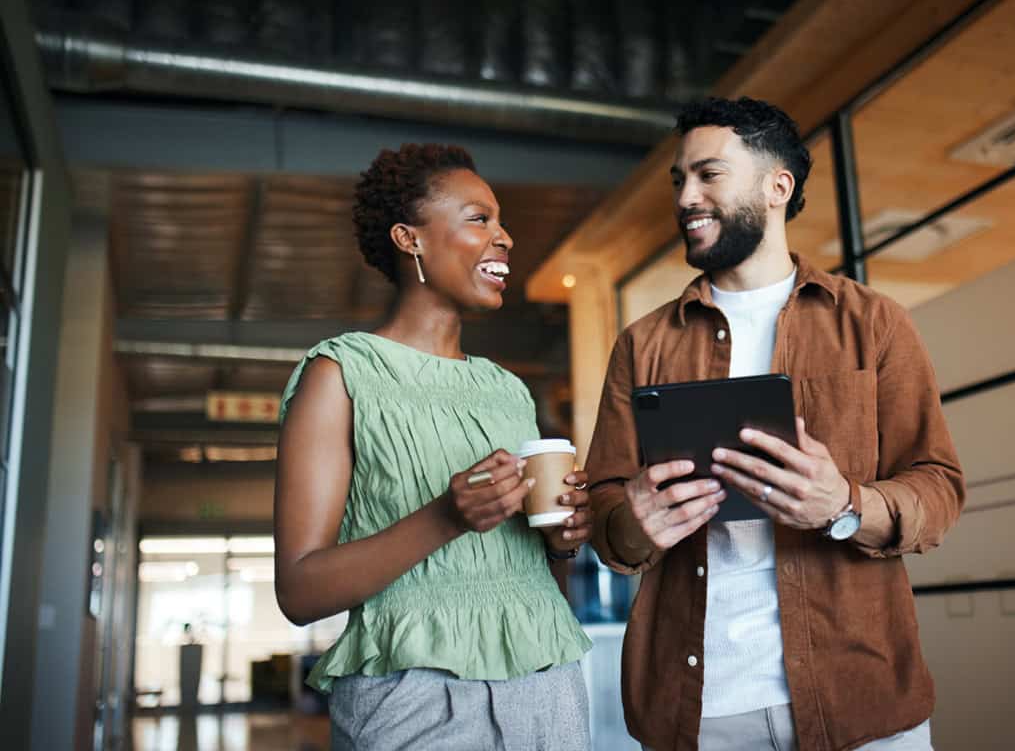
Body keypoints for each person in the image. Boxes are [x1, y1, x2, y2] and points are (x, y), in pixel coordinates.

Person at [586, 97, 965, 751]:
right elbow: (605, 508)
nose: (685, 197)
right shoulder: (641, 345)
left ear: (776, 187)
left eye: (709, 175)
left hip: (862, 702)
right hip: (699, 712)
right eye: (679, 180)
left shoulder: (873, 323)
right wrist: (632, 520)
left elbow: (939, 486)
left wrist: (845, 504)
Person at [274, 144, 593, 750]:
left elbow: (534, 570)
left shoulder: (508, 391)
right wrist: (446, 517)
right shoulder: (340, 374)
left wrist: (561, 538)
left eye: (500, 221)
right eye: (479, 219)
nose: (504, 237)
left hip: (548, 684)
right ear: (409, 238)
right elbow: (299, 590)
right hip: (413, 692)